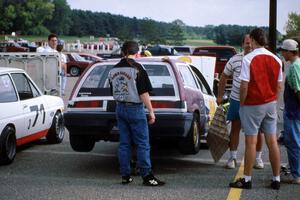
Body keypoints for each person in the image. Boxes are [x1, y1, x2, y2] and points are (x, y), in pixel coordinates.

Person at [229, 28, 282, 190]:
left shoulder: (248, 59)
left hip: (253, 103)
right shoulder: (276, 59)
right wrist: (273, 99)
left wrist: (243, 103)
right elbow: (279, 86)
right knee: (272, 141)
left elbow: (244, 85)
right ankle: (276, 178)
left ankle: (246, 179)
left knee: (251, 142)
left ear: (252, 39)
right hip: (270, 103)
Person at [108, 41, 165, 186]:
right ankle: (147, 176)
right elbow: (143, 93)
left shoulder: (113, 70)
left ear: (122, 52)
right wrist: (151, 111)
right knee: (142, 144)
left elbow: (112, 91)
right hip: (135, 109)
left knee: (124, 144)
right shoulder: (138, 68)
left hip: (120, 108)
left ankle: (125, 175)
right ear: (137, 53)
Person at [217, 34, 265, 169]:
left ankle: (258, 158)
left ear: (255, 43)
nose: (249, 45)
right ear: (242, 44)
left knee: (258, 130)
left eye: (251, 43)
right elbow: (224, 76)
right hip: (237, 99)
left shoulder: (259, 58)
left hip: (255, 100)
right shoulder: (235, 59)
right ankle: (232, 158)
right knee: (235, 128)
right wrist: (220, 96)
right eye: (247, 43)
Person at [280, 39, 300, 184]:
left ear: (289, 51)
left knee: (293, 143)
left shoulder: (294, 68)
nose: (282, 53)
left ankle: (297, 174)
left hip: (294, 111)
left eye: (283, 51)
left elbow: (298, 91)